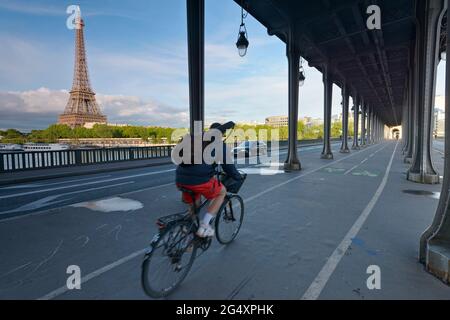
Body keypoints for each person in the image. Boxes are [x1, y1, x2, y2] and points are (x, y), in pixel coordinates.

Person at [175, 122, 243, 238]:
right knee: (221, 192)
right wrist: (237, 176)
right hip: (199, 180)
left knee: (194, 206)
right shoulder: (219, 144)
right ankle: (204, 225)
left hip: (180, 179)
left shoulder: (197, 138)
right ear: (222, 134)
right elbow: (229, 167)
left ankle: (187, 233)